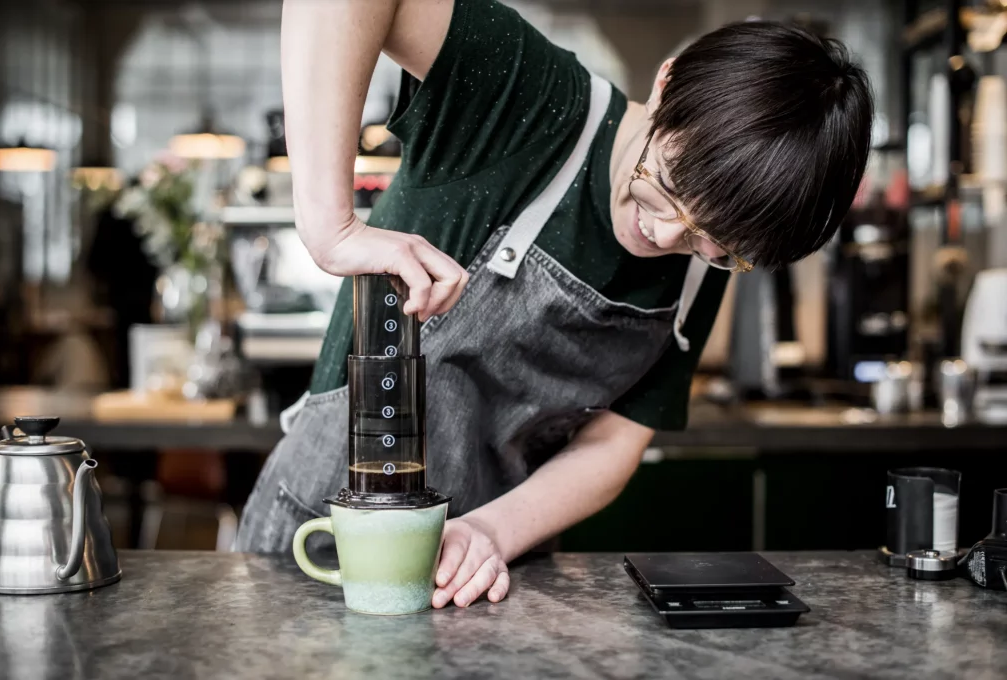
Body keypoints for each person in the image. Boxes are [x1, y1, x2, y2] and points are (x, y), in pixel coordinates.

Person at [236, 0, 873, 610]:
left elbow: (613, 446)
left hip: (488, 574)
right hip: (325, 540)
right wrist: (330, 226)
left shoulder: (700, 268)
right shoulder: (532, 96)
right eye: (669, 186)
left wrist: (489, 534)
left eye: (714, 242)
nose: (666, 236)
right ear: (667, 82)